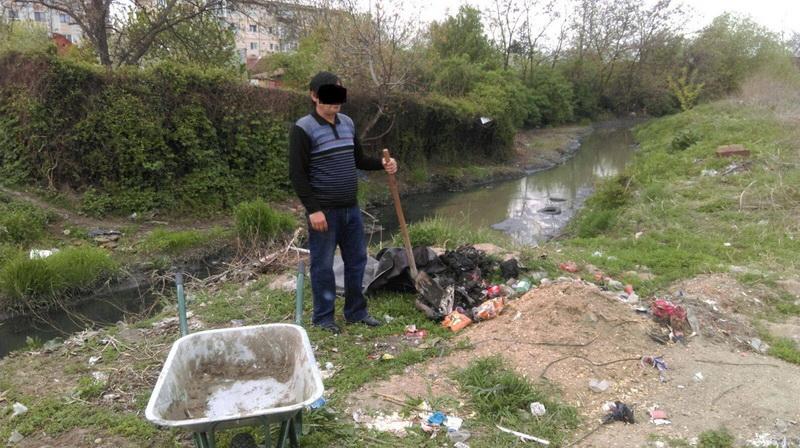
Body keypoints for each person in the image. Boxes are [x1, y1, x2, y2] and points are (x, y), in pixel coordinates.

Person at [289, 71, 398, 334]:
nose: (335, 100)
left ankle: (356, 312)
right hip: (323, 212)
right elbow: (297, 174)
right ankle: (324, 318)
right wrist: (313, 210)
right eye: (328, 94)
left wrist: (383, 164)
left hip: (350, 208)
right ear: (314, 96)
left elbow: (358, 160)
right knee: (323, 266)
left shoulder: (347, 123)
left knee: (357, 261)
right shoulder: (303, 128)